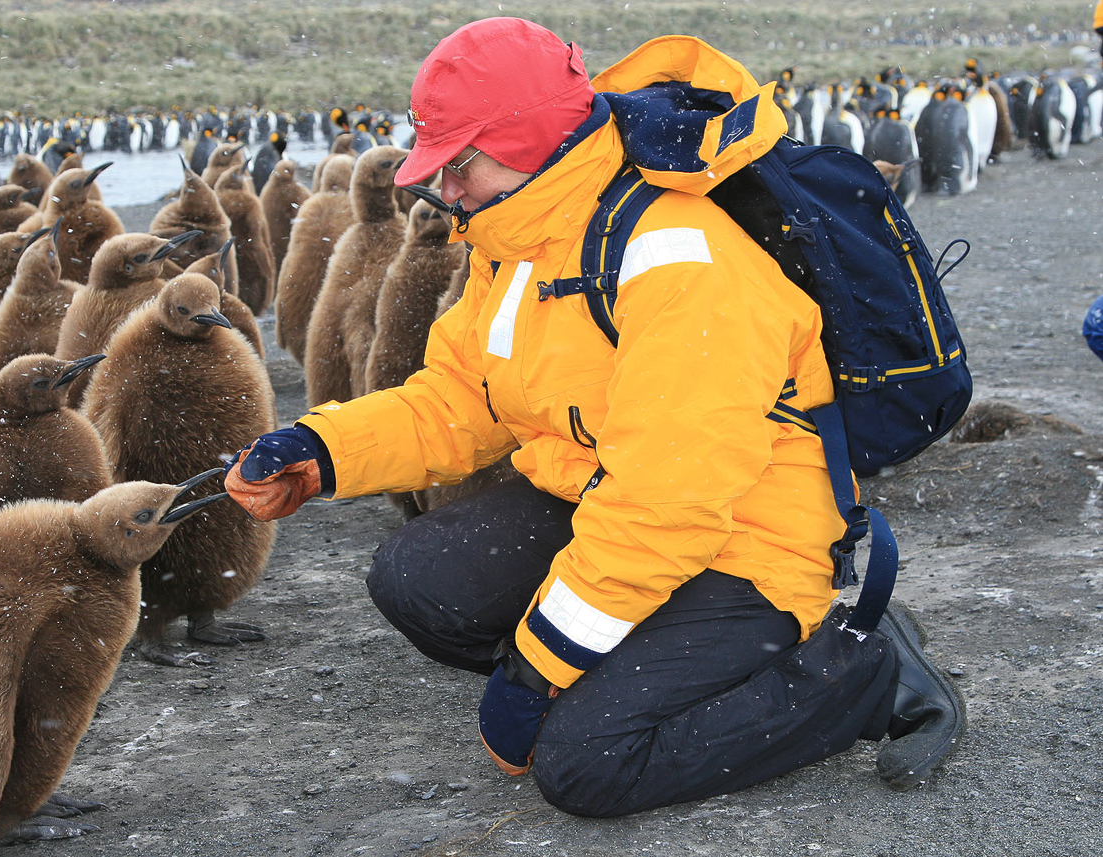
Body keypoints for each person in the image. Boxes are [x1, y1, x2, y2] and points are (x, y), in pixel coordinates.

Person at [225, 17, 965, 817]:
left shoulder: (681, 260)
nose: (446, 191)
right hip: (608, 498)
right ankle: (625, 659)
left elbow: (669, 502)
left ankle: (859, 671)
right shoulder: (519, 238)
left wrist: (537, 665)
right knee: (418, 582)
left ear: (527, 138)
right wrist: (321, 447)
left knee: (588, 764)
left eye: (459, 165)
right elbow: (461, 399)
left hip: (745, 535)